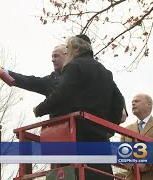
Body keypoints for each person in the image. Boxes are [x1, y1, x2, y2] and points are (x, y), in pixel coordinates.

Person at [33, 35, 124, 180]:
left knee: (75, 173)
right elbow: (118, 103)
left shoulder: (74, 66)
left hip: (77, 134)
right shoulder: (106, 72)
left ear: (76, 49)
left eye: (67, 49)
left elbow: (61, 94)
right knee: (102, 174)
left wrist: (40, 109)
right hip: (100, 137)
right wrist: (110, 127)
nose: (67, 53)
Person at [0, 44, 68, 118]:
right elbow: (26, 81)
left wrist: (39, 109)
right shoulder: (51, 80)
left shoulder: (77, 71)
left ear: (66, 55)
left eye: (56, 56)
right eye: (52, 56)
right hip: (59, 128)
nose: (52, 60)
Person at [120, 93, 153, 180]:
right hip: (133, 177)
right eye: (132, 102)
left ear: (149, 104)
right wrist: (134, 166)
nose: (133, 103)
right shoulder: (126, 130)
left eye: (137, 101)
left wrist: (146, 163)